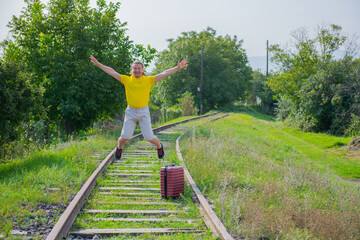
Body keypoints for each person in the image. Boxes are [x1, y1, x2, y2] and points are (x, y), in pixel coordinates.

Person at [90, 55, 188, 159]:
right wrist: (98, 64)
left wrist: (177, 68)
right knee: (125, 137)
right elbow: (112, 71)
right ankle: (119, 148)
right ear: (132, 70)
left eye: (139, 69)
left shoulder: (148, 80)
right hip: (130, 111)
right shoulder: (126, 80)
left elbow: (164, 73)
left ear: (142, 70)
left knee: (149, 137)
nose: (137, 70)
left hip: (143, 111)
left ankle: (159, 146)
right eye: (135, 68)